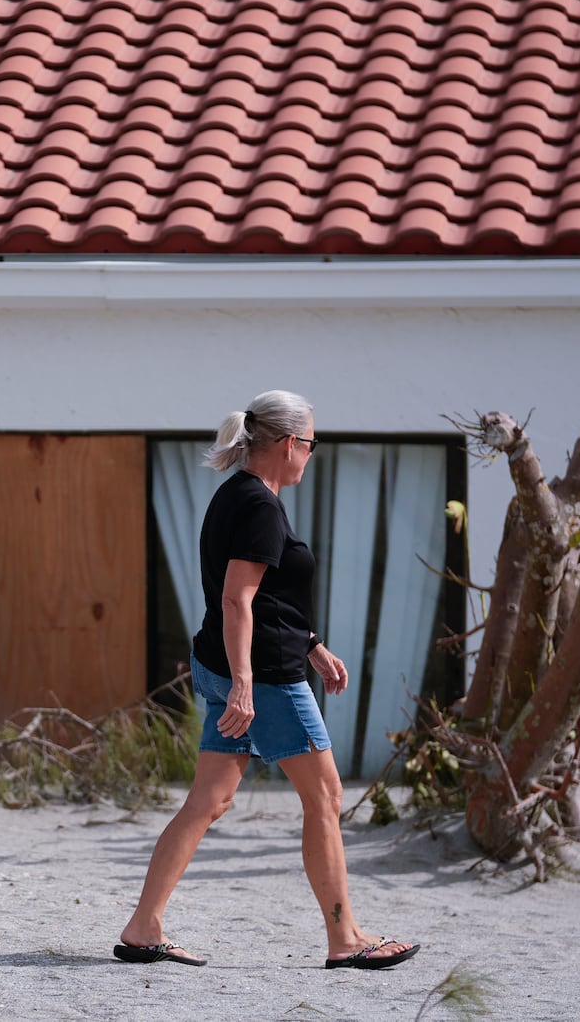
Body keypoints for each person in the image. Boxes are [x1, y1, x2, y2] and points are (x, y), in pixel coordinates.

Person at [115, 390, 418, 970]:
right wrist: (246, 682)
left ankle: (142, 927)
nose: (311, 454)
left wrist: (312, 644)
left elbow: (267, 597)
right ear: (286, 444)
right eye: (310, 443)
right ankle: (346, 939)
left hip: (241, 664)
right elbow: (236, 600)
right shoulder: (257, 505)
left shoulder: (240, 496)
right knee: (325, 796)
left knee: (210, 799)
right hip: (265, 680)